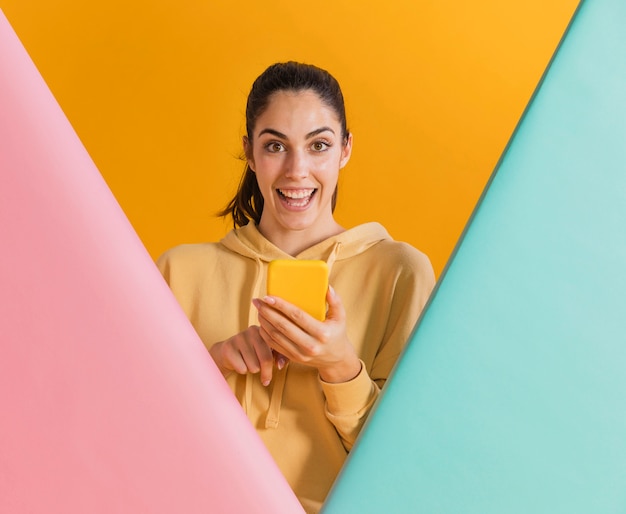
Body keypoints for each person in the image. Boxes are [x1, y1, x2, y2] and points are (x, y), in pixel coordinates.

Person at [157, 61, 435, 513]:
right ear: (249, 152)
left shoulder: (400, 274)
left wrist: (341, 367)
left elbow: (411, 467)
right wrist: (211, 366)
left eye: (319, 145)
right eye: (275, 146)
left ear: (345, 149)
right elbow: (133, 436)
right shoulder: (177, 272)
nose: (296, 170)